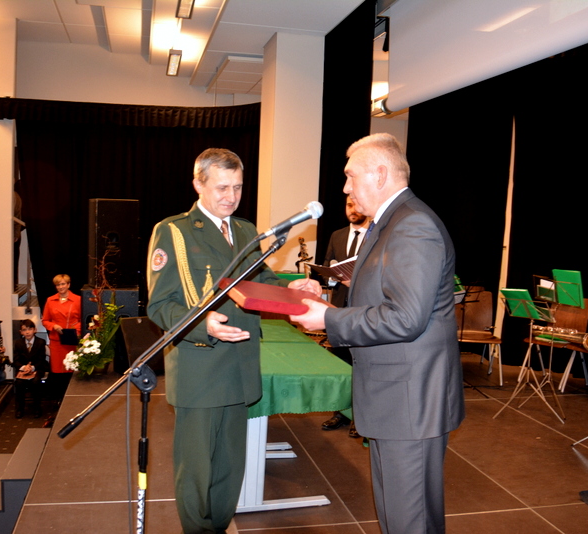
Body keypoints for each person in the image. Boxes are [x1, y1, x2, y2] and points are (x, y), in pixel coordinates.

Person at [291, 133, 465, 534]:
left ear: (381, 174)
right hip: (396, 397)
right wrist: (326, 296)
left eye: (351, 176)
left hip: (410, 402)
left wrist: (329, 320)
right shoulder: (391, 222)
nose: (345, 188)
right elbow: (381, 293)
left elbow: (406, 318)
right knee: (397, 517)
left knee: (410, 520)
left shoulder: (413, 225)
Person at [147, 148, 321, 534]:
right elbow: (160, 305)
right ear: (198, 185)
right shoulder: (173, 231)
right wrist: (203, 325)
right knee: (196, 470)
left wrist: (296, 288)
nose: (231, 196)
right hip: (200, 366)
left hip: (240, 366)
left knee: (229, 467)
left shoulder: (244, 230)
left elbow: (262, 281)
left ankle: (219, 527)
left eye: (238, 187)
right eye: (222, 187)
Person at [320, 196, 370, 437]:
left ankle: (360, 419)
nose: (353, 210)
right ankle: (340, 412)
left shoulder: (376, 235)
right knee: (340, 365)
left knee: (361, 367)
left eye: (357, 205)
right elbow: (326, 267)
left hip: (364, 311)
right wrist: (331, 275)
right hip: (340, 309)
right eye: (349, 205)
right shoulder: (337, 235)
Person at [41, 274, 81, 402]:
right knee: (58, 371)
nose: (60, 287)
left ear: (68, 285)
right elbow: (45, 320)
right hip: (56, 340)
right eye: (58, 285)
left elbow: (83, 319)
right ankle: (59, 399)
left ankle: (71, 399)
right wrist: (54, 326)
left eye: (63, 284)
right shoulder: (50, 300)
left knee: (71, 369)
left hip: (71, 339)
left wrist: (75, 330)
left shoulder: (78, 300)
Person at [11, 319, 48, 419]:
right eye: (24, 330)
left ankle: (37, 408)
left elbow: (41, 359)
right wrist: (24, 367)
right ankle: (20, 409)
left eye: (29, 329)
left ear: (35, 330)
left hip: (38, 368)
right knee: (19, 382)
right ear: (21, 332)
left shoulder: (40, 342)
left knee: (36, 382)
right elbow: (16, 360)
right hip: (23, 369)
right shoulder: (18, 343)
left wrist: (32, 367)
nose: (27, 332)